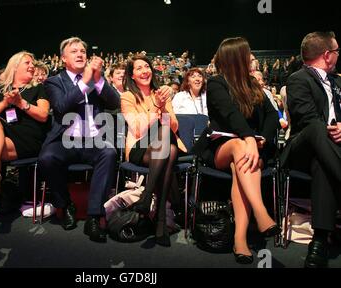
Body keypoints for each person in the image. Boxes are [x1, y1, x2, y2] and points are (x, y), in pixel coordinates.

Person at [192, 37, 280, 264]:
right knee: (241, 147)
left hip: (251, 149)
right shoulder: (216, 83)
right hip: (221, 147)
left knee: (241, 162)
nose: (252, 57)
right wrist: (249, 138)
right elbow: (231, 114)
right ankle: (261, 213)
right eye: (247, 53)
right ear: (237, 57)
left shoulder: (252, 83)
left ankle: (239, 239)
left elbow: (272, 116)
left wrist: (262, 141)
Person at [38, 37, 119, 243]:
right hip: (64, 140)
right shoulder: (54, 81)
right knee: (47, 158)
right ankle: (64, 206)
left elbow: (115, 102)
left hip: (93, 139)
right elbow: (62, 107)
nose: (80, 54)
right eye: (74, 51)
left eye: (83, 50)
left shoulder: (95, 78)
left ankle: (94, 216)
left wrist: (98, 79)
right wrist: (85, 81)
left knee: (109, 153)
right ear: (64, 58)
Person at [282, 31, 341, 268]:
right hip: (302, 147)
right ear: (327, 55)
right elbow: (306, 119)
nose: (338, 55)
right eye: (337, 51)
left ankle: (319, 240)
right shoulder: (298, 79)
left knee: (322, 162)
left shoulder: (338, 81)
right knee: (317, 128)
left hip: (328, 153)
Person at [0, 51, 50, 228]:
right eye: (27, 63)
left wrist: (21, 103)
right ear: (14, 67)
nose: (32, 66)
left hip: (28, 138)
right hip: (3, 136)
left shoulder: (38, 88)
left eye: (33, 63)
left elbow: (44, 115)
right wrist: (5, 103)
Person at [121, 54, 186, 247]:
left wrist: (164, 107)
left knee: (169, 144)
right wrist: (156, 107)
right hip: (139, 147)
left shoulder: (162, 94)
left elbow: (173, 127)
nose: (144, 70)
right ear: (132, 75)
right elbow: (137, 128)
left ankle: (148, 197)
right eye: (139, 68)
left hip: (161, 147)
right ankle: (160, 220)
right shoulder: (127, 96)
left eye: (146, 66)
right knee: (169, 149)